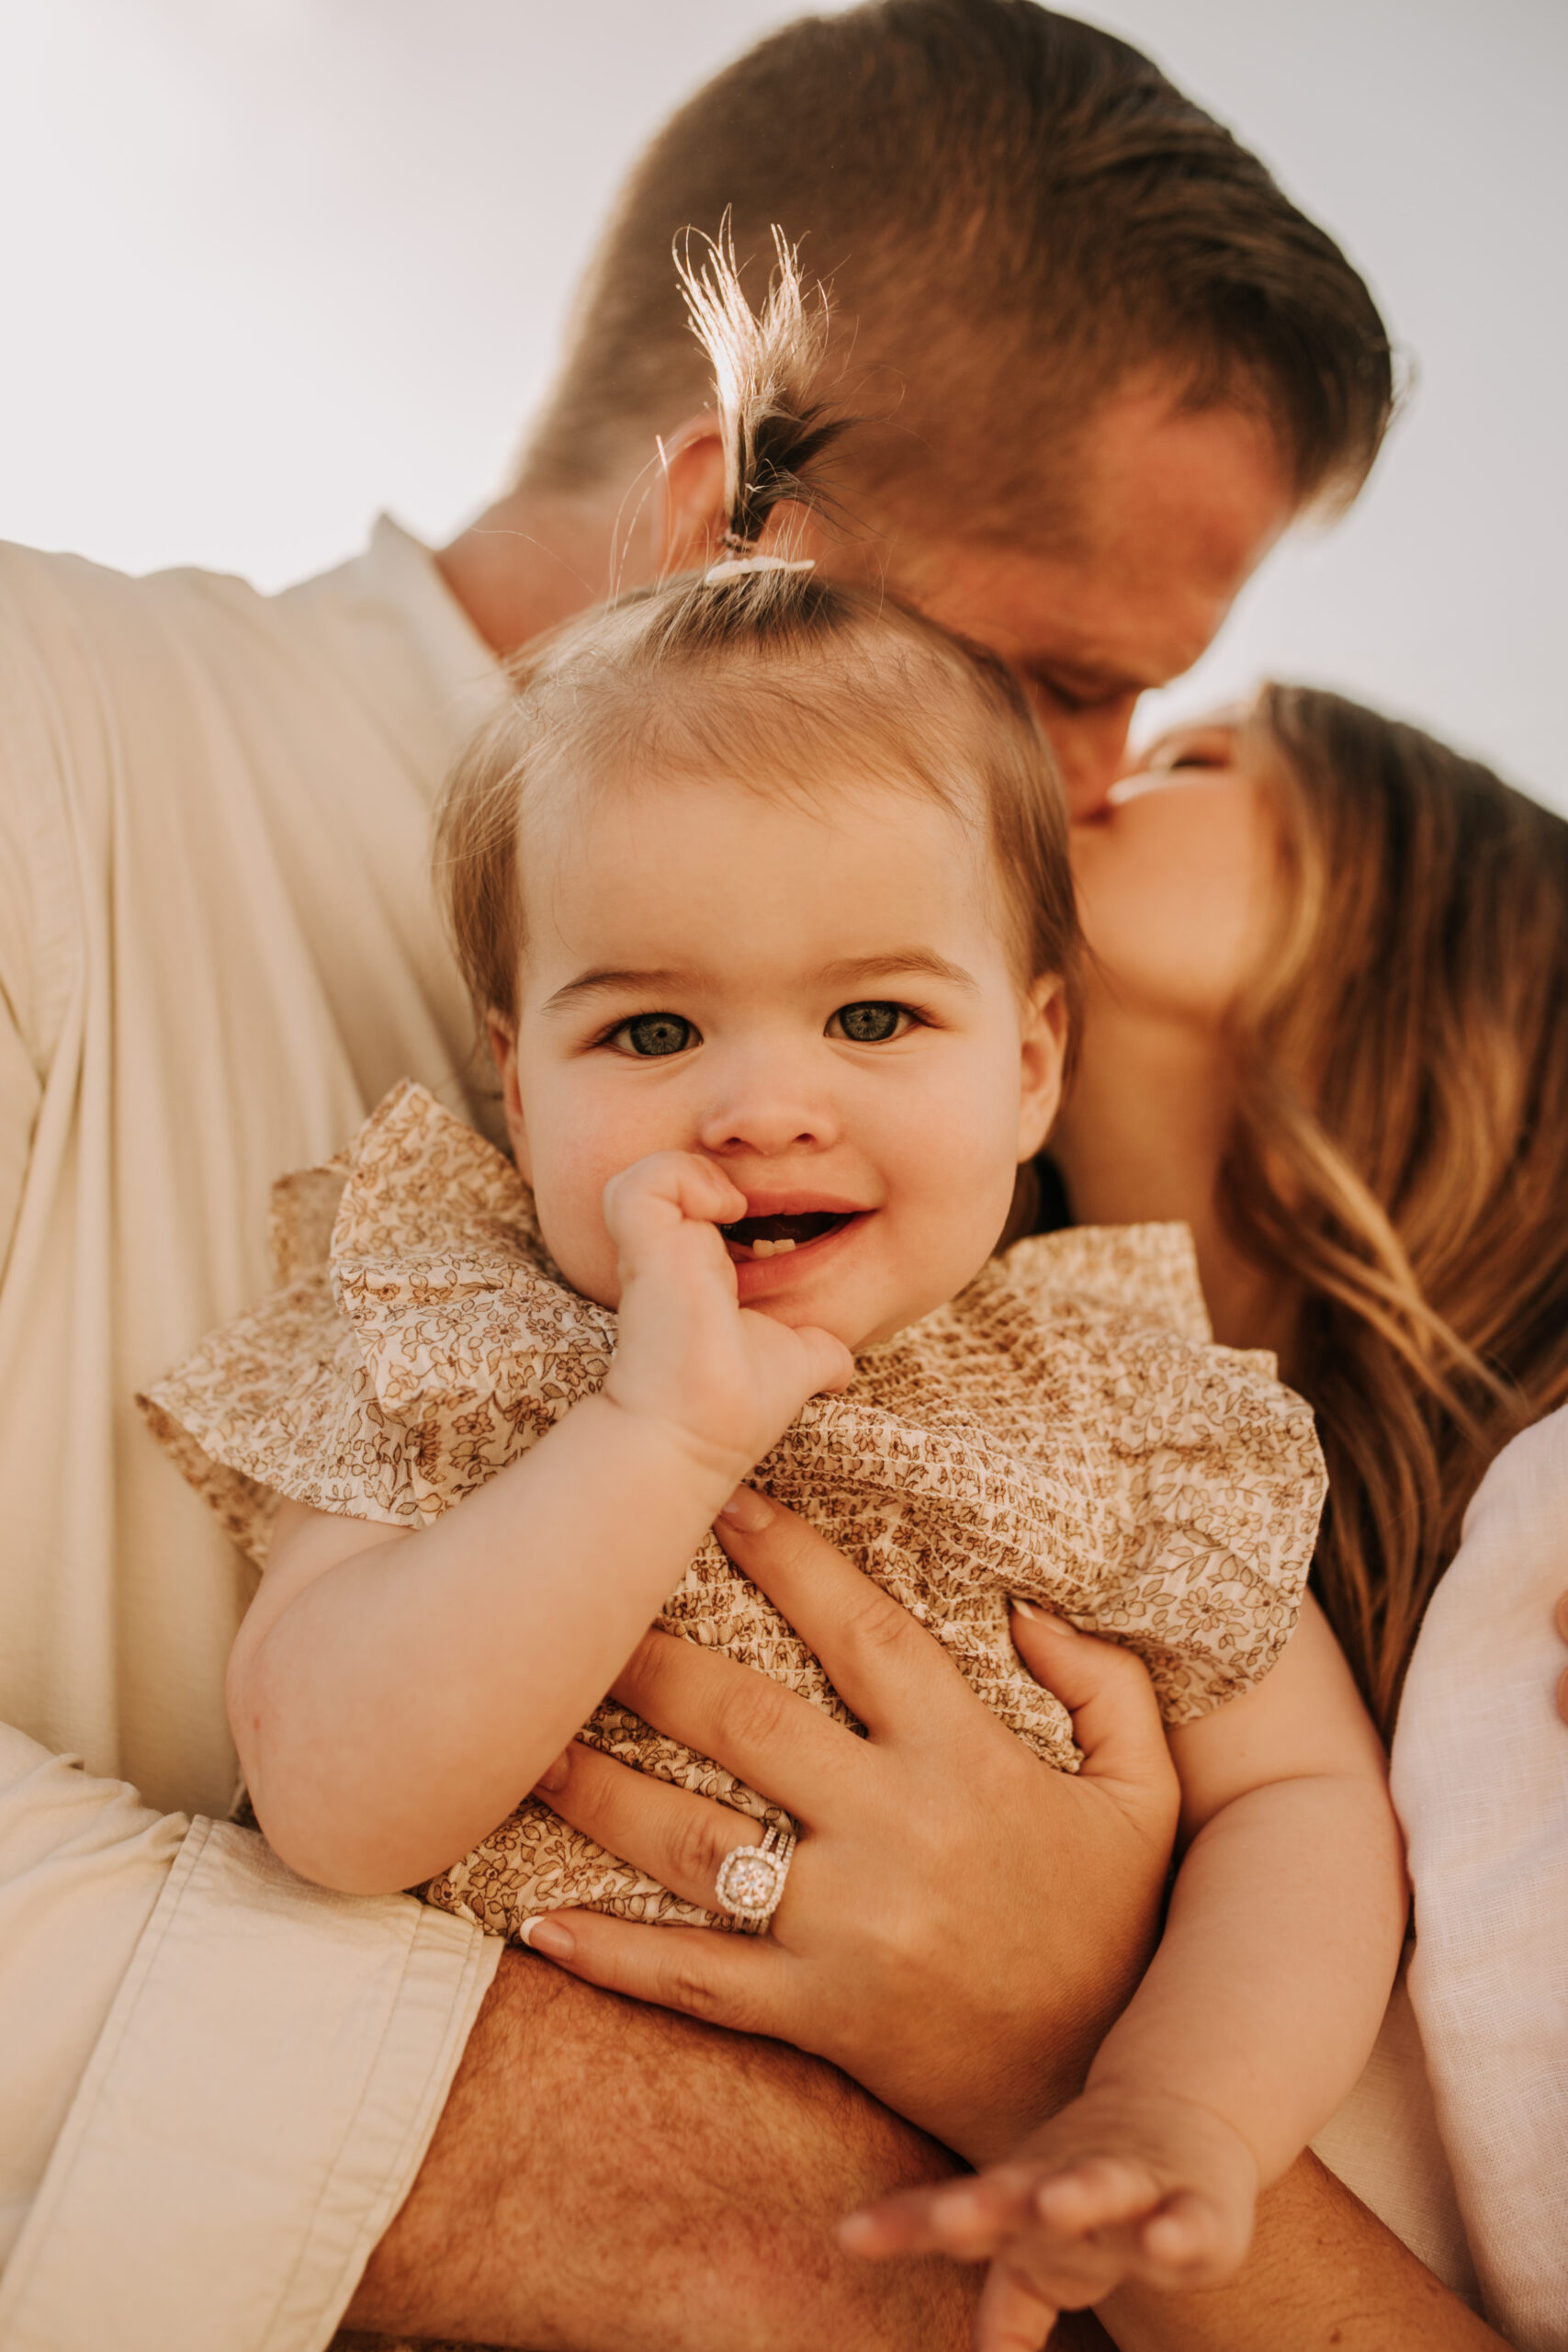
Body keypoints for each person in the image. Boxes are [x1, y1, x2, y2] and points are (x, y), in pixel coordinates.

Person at [0, 6, 1400, 2346]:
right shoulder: (46, 742)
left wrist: (1078, 2037)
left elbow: (1280, 1803)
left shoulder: (998, 1252)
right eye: (1055, 682)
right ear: (706, 535)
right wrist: (567, 2163)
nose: (1083, 804)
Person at [626, 689, 1567, 2348]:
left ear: (1408, 926)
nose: (1090, 771)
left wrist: (1046, 2046)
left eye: (1194, 761)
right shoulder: (913, 1357)